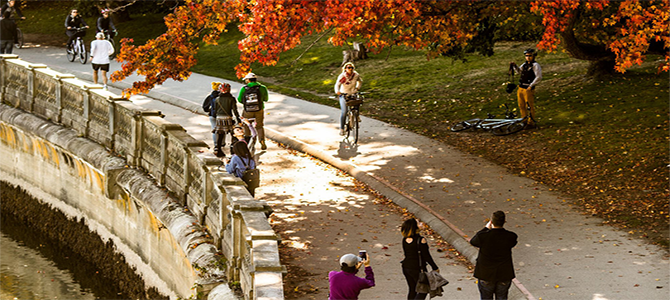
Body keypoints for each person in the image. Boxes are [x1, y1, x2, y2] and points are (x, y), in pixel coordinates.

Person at [470, 211, 518, 300]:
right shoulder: (511, 236)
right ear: (504, 222)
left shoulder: (483, 236)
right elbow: (513, 243)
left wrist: (485, 228)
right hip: (504, 274)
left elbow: (473, 241)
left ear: (491, 222)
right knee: (502, 297)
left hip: (486, 274)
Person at [401, 218, 439, 300]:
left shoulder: (405, 240)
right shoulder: (421, 240)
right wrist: (435, 267)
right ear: (415, 227)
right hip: (417, 268)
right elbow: (426, 256)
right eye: (419, 223)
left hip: (406, 267)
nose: (421, 224)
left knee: (412, 289)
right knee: (423, 290)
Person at [510, 49, 541, 127]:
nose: (528, 57)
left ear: (533, 56)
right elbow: (519, 72)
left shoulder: (535, 65)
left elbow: (538, 77)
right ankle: (524, 120)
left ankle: (531, 122)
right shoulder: (524, 65)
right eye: (526, 56)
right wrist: (514, 66)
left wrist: (531, 86)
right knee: (521, 105)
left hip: (528, 88)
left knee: (529, 106)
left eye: (530, 55)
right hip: (521, 88)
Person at [237, 72, 269, 150]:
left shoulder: (244, 88)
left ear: (248, 80)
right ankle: (261, 140)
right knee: (259, 126)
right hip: (259, 110)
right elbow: (266, 99)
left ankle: (250, 142)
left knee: (247, 126)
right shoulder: (262, 87)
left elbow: (239, 99)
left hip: (247, 111)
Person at [334, 62, 362, 136]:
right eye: (348, 68)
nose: (350, 69)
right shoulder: (342, 76)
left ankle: (357, 115)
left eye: (352, 68)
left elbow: (360, 81)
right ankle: (342, 129)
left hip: (352, 93)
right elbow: (337, 84)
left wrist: (357, 88)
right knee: (344, 111)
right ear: (345, 69)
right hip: (344, 94)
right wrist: (337, 91)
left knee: (358, 102)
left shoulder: (356, 75)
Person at [214, 82, 241, 157]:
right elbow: (234, 110)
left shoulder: (217, 99)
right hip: (228, 118)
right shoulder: (231, 99)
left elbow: (215, 110)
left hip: (219, 118)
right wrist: (238, 119)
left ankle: (219, 150)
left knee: (220, 135)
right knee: (233, 134)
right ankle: (233, 151)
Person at [202, 81, 222, 147]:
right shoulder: (222, 97)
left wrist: (209, 110)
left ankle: (216, 144)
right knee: (222, 130)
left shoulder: (210, 97)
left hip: (212, 115)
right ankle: (222, 143)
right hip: (221, 115)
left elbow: (205, 107)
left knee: (214, 129)